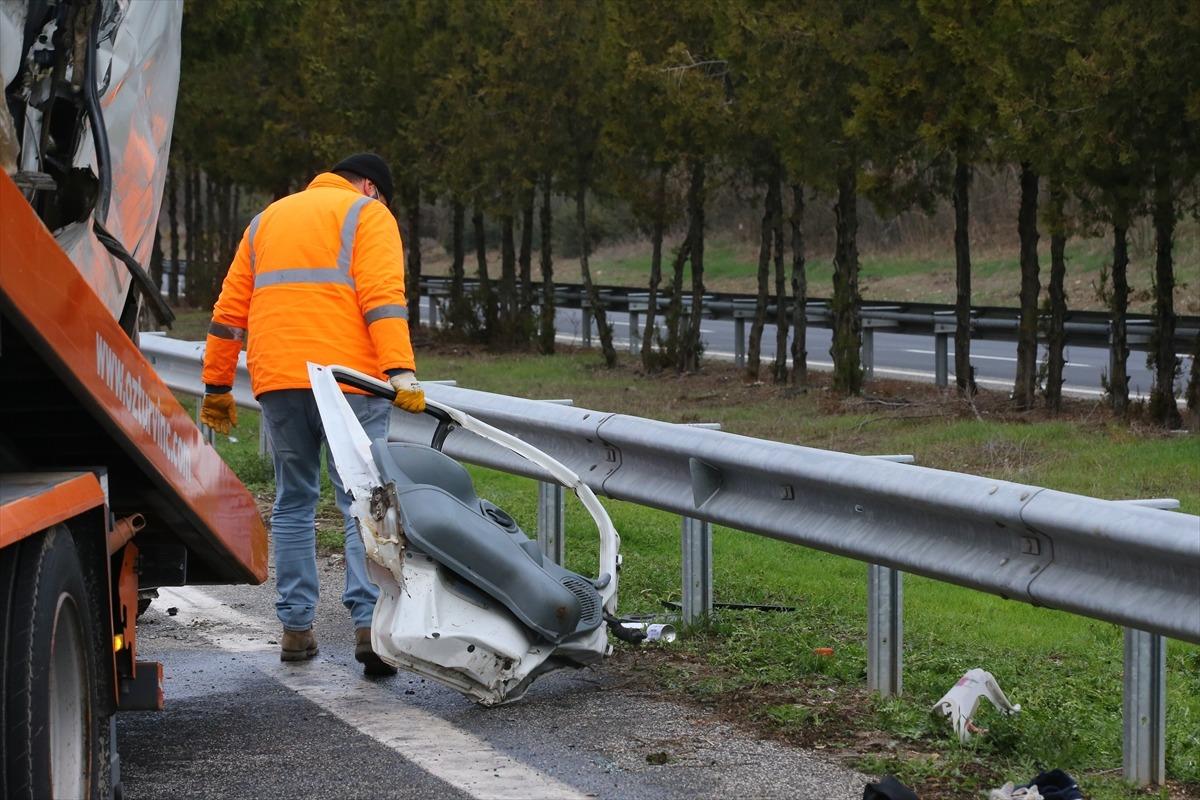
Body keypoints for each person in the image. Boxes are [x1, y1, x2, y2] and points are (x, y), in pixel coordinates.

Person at [199, 153, 425, 676]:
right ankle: (370, 627)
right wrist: (400, 370)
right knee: (360, 502)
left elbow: (228, 313)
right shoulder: (368, 214)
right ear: (370, 187)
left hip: (279, 379)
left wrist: (217, 385)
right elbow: (383, 298)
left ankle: (296, 628)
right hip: (351, 382)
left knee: (294, 500)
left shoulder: (266, 220)